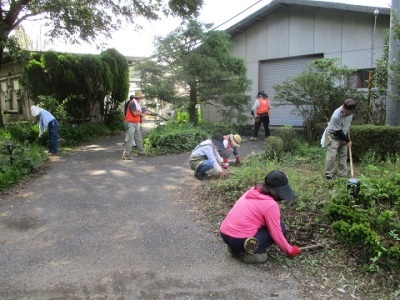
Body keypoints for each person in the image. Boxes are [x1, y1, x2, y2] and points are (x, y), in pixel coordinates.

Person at [220, 170, 301, 264]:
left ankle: (234, 248)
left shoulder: (252, 191)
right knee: (280, 225)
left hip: (225, 234)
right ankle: (251, 254)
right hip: (240, 240)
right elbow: (276, 233)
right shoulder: (271, 205)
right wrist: (290, 250)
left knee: (253, 226)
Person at [324, 98, 357, 181]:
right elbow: (338, 131)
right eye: (345, 111)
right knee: (331, 156)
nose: (346, 113)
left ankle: (342, 173)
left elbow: (348, 122)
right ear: (343, 107)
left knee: (343, 155)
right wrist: (348, 140)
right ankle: (329, 175)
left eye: (348, 113)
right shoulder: (336, 115)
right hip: (333, 136)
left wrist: (348, 126)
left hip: (344, 134)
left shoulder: (351, 112)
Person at [122, 90, 148, 160]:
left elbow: (139, 112)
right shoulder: (132, 103)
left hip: (136, 123)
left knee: (138, 137)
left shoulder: (137, 104)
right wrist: (142, 110)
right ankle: (126, 155)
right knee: (129, 138)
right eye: (141, 97)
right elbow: (135, 113)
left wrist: (149, 113)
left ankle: (141, 151)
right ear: (138, 97)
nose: (142, 99)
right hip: (130, 123)